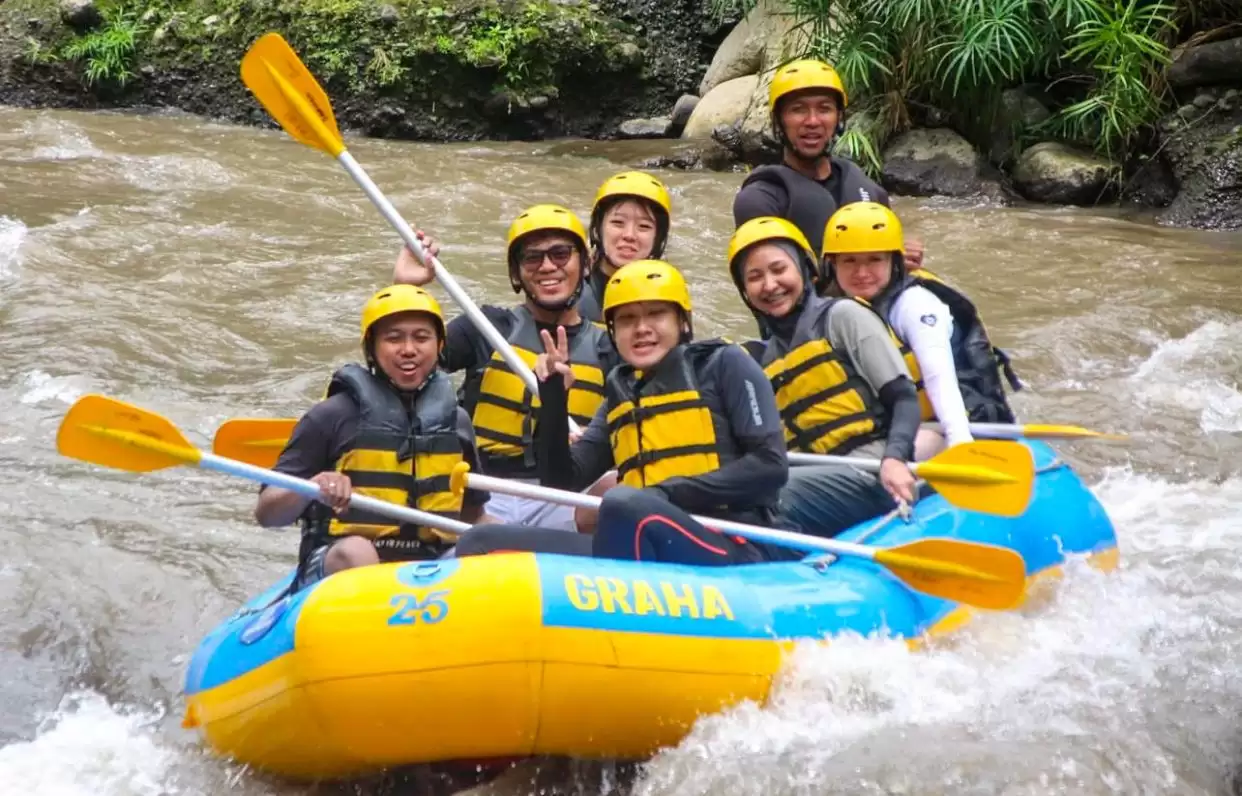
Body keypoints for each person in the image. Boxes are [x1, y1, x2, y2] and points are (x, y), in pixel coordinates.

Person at [525, 259, 795, 565]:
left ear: (682, 321)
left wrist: (663, 494)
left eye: (656, 314)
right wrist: (553, 400)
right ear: (613, 332)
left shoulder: (725, 364)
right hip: (639, 533)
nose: (641, 329)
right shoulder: (620, 394)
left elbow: (770, 466)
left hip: (732, 542)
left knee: (622, 502)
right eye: (626, 320)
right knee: (484, 540)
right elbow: (561, 481)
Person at [393, 205, 619, 531]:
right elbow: (401, 371)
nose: (547, 266)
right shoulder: (486, 327)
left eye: (560, 254)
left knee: (617, 487)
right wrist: (405, 289)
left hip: (567, 499)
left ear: (585, 264)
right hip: (481, 493)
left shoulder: (611, 347)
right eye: (532, 258)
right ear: (516, 274)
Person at [254, 284, 492, 590]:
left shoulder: (456, 421)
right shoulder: (331, 415)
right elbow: (267, 514)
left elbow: (473, 517)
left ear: (439, 345)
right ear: (372, 348)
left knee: (494, 541)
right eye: (394, 338)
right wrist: (312, 487)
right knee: (358, 552)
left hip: (430, 564)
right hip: (338, 563)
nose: (409, 349)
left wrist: (518, 541)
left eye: (422, 337)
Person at [726, 216, 922, 540]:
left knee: (770, 498)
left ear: (806, 270)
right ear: (746, 292)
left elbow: (902, 397)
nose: (770, 285)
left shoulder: (843, 317)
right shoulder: (758, 360)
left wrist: (895, 458)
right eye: (755, 277)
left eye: (779, 269)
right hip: (810, 478)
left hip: (871, 470)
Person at [822, 202, 1022, 457]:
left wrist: (961, 442)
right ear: (832, 265)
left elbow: (939, 378)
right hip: (897, 424)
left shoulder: (914, 305)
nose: (861, 272)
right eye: (849, 261)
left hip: (955, 423)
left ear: (894, 262)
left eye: (874, 260)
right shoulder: (838, 310)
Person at [732, 58, 923, 267]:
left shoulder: (870, 191)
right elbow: (773, 286)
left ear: (838, 118)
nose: (813, 121)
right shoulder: (760, 200)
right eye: (798, 110)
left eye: (824, 109)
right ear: (779, 121)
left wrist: (898, 263)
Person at [577, 171, 673, 324]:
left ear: (657, 238)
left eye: (644, 226)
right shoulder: (570, 290)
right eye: (618, 223)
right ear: (598, 228)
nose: (629, 235)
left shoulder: (669, 296)